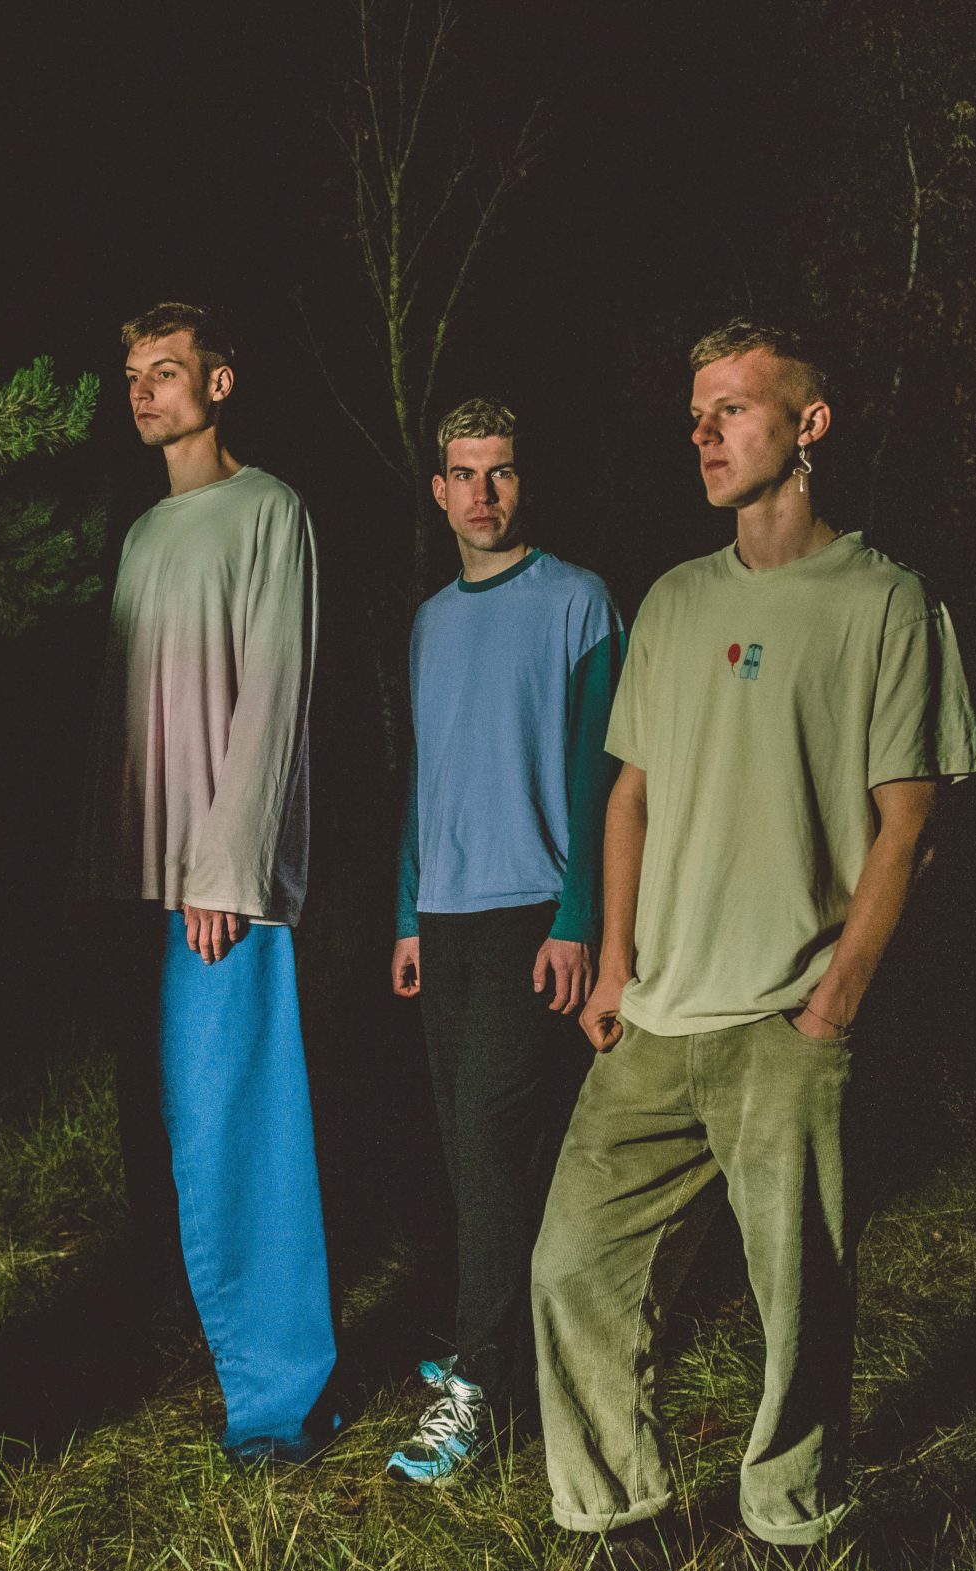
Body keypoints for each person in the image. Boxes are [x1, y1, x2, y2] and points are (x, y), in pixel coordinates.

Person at [530, 319, 976, 1546]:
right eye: (695, 415)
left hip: (784, 1015)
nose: (704, 433)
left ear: (807, 423)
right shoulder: (675, 599)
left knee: (799, 1298)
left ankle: (790, 1519)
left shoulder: (883, 601)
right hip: (654, 1013)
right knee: (570, 1264)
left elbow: (908, 825)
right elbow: (627, 795)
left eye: (730, 408)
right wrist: (612, 964)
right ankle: (611, 1514)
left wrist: (831, 1004)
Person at [78, 300, 337, 1462]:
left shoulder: (268, 510)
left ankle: (281, 1401)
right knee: (171, 1126)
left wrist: (225, 869)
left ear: (219, 384)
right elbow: (125, 713)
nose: (144, 390)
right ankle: (199, 1345)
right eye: (133, 373)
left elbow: (273, 697)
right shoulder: (144, 533)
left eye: (167, 371)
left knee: (240, 1123)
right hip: (143, 879)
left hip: (217, 889)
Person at [386, 398, 623, 1484]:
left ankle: (478, 1384)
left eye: (502, 472)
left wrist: (580, 918)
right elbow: (422, 773)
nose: (483, 494)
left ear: (524, 483)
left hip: (535, 908)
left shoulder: (577, 600)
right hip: (444, 916)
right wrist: (406, 911)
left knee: (489, 1134)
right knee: (462, 1145)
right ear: (439, 491)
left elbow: (603, 772)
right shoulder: (429, 620)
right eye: (464, 474)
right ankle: (508, 1352)